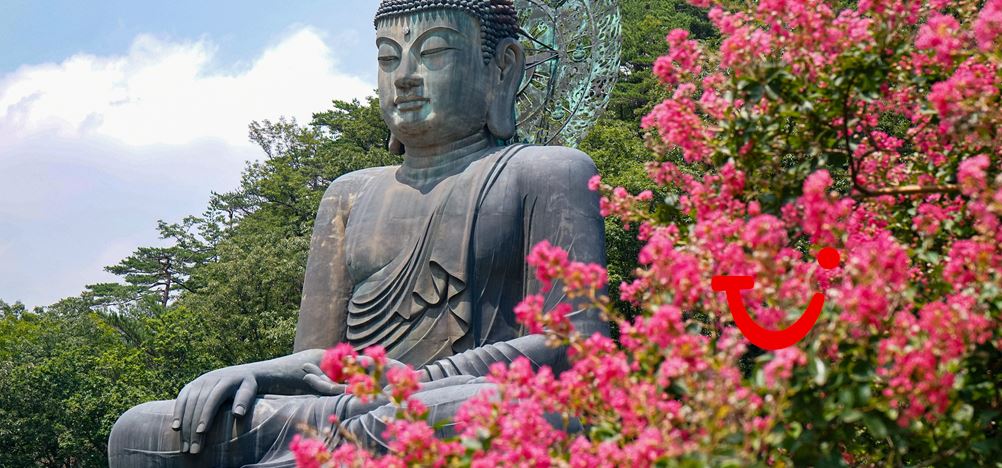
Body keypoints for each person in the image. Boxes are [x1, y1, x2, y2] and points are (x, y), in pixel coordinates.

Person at [108, 1, 607, 465]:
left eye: (433, 53)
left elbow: (575, 345)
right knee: (138, 429)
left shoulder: (547, 172)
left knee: (493, 406)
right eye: (388, 60)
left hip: (452, 400)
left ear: (503, 67)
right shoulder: (349, 194)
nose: (405, 78)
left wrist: (414, 384)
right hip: (346, 413)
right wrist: (255, 374)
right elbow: (321, 367)